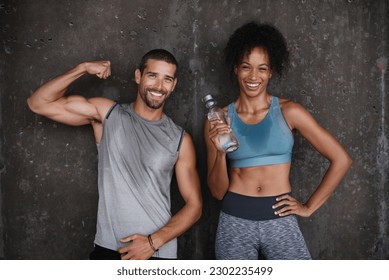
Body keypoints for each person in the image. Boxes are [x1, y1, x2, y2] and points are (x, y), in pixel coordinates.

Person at [27, 49, 202, 260]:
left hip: (157, 253)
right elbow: (37, 104)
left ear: (173, 85)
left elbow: (195, 206)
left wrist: (151, 243)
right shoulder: (107, 115)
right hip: (109, 249)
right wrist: (82, 68)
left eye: (167, 79)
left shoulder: (180, 140)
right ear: (138, 76)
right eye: (152, 75)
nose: (159, 86)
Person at [204, 22, 352, 260]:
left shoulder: (290, 111)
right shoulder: (218, 119)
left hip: (280, 220)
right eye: (246, 67)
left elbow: (341, 159)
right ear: (236, 69)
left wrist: (309, 207)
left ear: (271, 72)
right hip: (234, 221)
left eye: (262, 69)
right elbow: (217, 191)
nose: (254, 76)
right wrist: (221, 152)